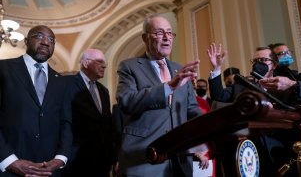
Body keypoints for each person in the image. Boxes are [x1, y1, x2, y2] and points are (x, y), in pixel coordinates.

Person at [116, 14, 202, 176]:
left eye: (169, 33)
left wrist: (209, 131)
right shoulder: (130, 67)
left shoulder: (179, 69)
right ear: (145, 37)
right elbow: (126, 101)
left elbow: (192, 110)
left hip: (180, 160)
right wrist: (169, 87)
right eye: (159, 32)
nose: (166, 37)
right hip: (144, 158)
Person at [0, 25, 72, 177]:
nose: (46, 42)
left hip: (50, 170)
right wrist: (8, 160)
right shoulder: (3, 68)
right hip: (9, 169)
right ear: (26, 41)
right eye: (39, 36)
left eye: (51, 40)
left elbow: (66, 123)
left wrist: (61, 158)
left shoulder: (62, 82)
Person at [61, 49, 115, 176]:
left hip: (102, 162)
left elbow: (107, 125)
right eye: (100, 61)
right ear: (85, 63)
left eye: (105, 62)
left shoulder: (104, 91)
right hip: (76, 161)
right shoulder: (66, 84)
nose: (104, 65)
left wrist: (113, 158)